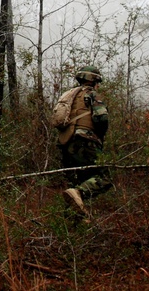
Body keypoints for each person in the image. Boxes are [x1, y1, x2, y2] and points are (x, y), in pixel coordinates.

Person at [52, 67, 112, 212]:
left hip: (66, 144)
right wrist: (100, 137)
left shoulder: (71, 96)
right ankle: (78, 194)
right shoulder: (91, 95)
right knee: (105, 178)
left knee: (77, 183)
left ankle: (73, 222)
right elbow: (102, 119)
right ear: (94, 81)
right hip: (85, 141)